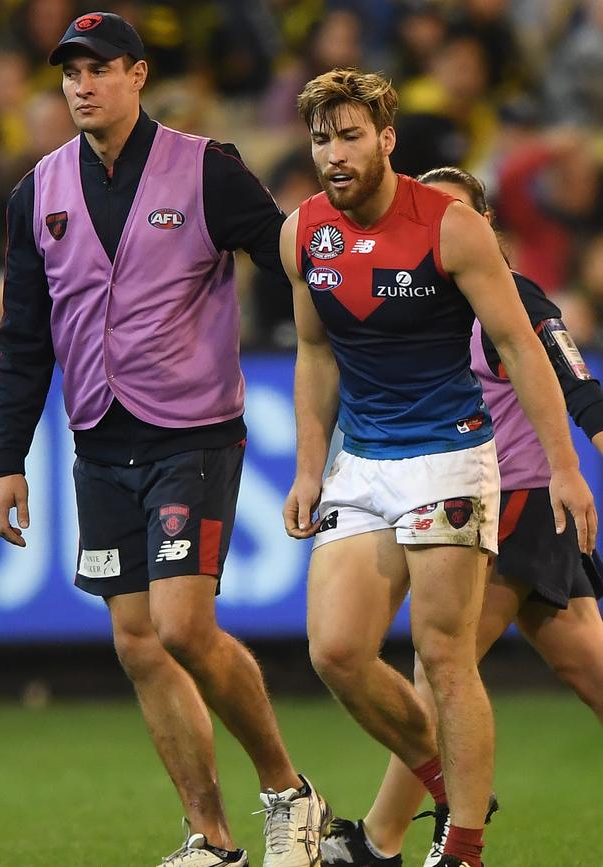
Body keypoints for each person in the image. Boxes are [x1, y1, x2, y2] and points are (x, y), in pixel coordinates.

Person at [0, 12, 329, 867]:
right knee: (137, 642)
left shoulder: (208, 169)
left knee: (180, 626)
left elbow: (291, 260)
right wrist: (4, 460)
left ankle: (289, 792)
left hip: (193, 432)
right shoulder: (37, 191)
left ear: (138, 76)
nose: (82, 85)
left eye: (100, 69)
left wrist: (337, 349)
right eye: (71, 73)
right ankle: (210, 838)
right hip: (98, 439)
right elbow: (24, 338)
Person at [279, 68, 597, 867]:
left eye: (351, 135)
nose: (334, 153)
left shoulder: (451, 228)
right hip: (363, 460)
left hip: (450, 458)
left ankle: (462, 847)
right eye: (322, 138)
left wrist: (565, 464)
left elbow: (527, 347)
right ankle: (450, 782)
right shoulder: (303, 233)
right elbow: (316, 353)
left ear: (388, 139)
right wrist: (310, 469)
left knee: (442, 655)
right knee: (336, 650)